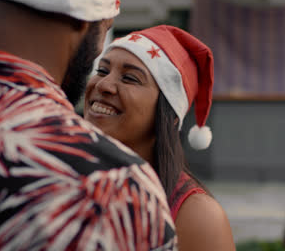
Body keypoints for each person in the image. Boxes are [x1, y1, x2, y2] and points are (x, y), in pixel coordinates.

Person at [0, 0, 177, 250]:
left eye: (130, 77)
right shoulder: (114, 188)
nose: (104, 84)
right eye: (106, 28)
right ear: (84, 16)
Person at [84, 25, 235, 250]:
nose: (103, 85)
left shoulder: (197, 217)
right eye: (103, 71)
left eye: (130, 78)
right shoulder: (55, 175)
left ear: (170, 115)